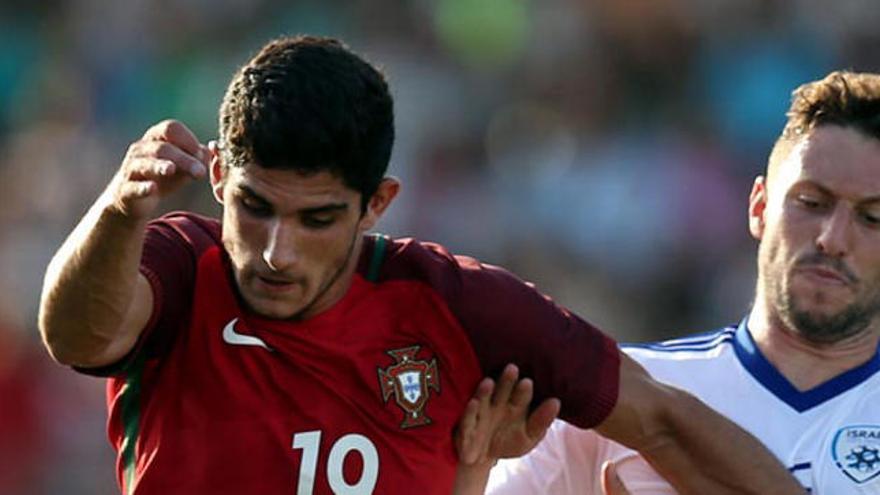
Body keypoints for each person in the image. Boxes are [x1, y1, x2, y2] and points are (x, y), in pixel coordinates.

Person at [38, 35, 803, 494]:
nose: (276, 250)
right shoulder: (179, 265)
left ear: (378, 203)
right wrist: (117, 212)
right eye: (255, 207)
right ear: (216, 182)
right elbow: (75, 336)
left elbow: (664, 419)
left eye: (318, 218)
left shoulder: (459, 307)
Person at [468, 70, 880, 494]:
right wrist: (473, 470)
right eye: (811, 203)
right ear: (759, 207)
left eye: (872, 218)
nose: (832, 239)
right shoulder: (619, 399)